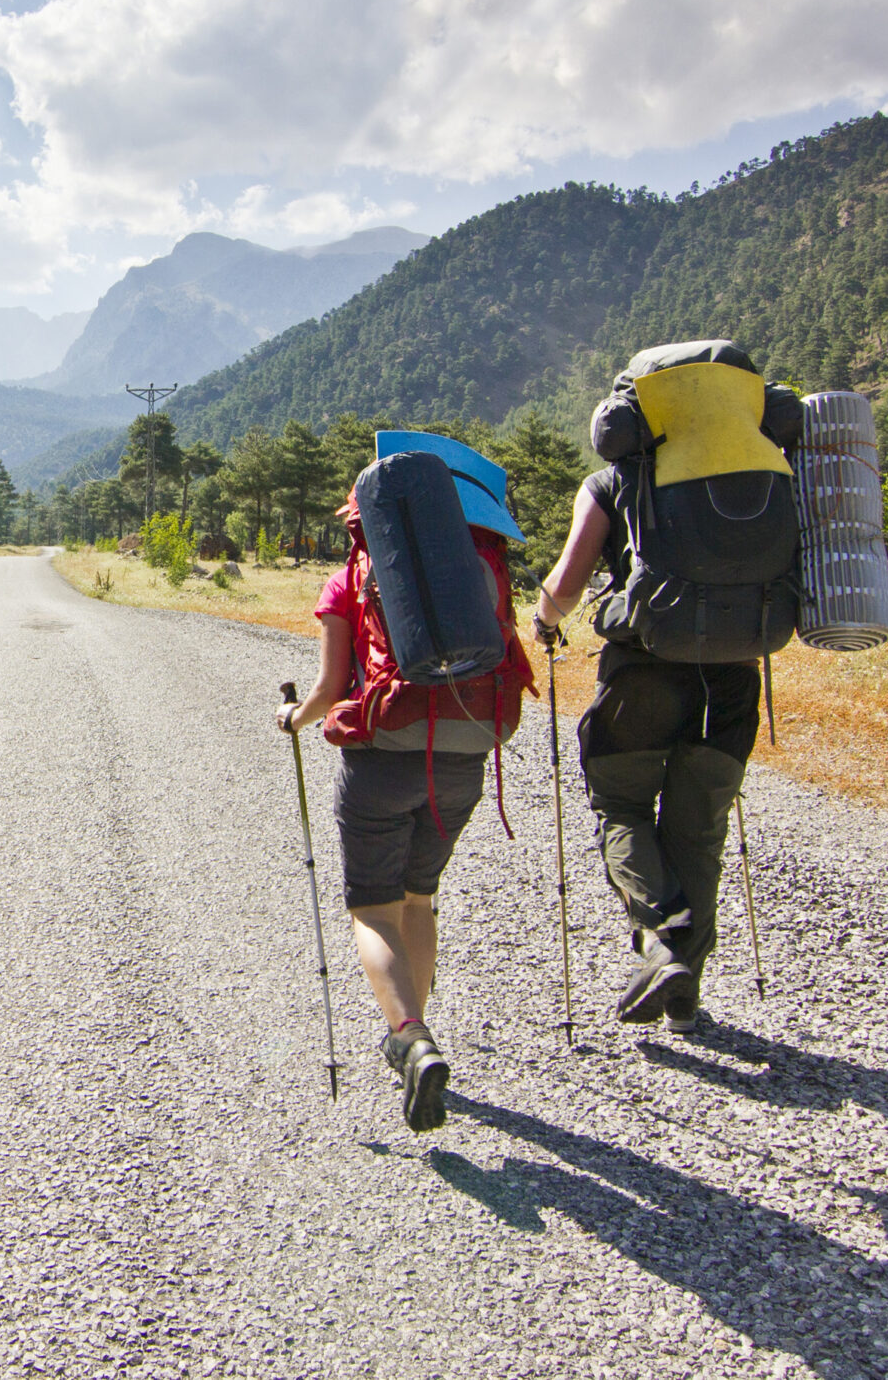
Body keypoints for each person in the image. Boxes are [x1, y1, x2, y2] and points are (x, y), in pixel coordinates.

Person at [276, 487, 526, 1132]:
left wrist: (293, 719)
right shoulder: (479, 570)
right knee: (420, 898)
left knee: (373, 905)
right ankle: (420, 1025)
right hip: (465, 759)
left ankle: (411, 1036)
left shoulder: (348, 580)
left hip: (382, 760)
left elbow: (332, 689)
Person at [531, 448, 763, 1036]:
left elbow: (566, 584)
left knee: (622, 806)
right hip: (731, 679)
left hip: (644, 672)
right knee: (699, 834)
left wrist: (545, 621)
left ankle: (662, 940)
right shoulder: (754, 470)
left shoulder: (612, 482)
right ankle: (684, 996)